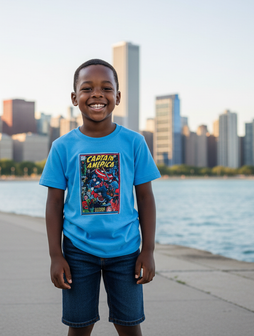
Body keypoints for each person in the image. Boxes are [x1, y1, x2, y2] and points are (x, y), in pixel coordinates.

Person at [39, 59, 160, 336]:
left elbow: (146, 198)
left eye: (106, 88)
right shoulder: (62, 146)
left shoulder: (134, 142)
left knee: (129, 325)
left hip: (126, 250)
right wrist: (55, 255)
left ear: (117, 97)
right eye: (87, 88)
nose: (96, 94)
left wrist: (149, 250)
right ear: (74, 98)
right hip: (78, 251)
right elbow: (54, 203)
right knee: (79, 326)